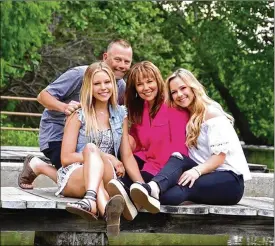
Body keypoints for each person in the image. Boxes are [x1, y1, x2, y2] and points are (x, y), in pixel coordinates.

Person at [128, 68, 252, 213]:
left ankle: (145, 194)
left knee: (175, 192)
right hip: (205, 175)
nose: (179, 94)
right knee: (178, 157)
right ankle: (152, 188)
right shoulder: (188, 115)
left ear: (193, 87)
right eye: (174, 92)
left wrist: (196, 171)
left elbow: (219, 157)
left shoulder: (211, 113)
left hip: (229, 180)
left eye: (183, 88)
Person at [18, 39, 133, 189]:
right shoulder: (79, 74)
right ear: (105, 57)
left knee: (102, 171)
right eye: (117, 59)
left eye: (126, 61)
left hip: (91, 140)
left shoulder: (121, 86)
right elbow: (43, 96)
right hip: (58, 135)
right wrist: (64, 107)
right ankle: (39, 166)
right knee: (81, 177)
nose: (122, 65)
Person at [107, 61, 189, 218]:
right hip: (148, 165)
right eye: (140, 84)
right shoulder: (139, 110)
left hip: (166, 171)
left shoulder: (173, 106)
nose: (146, 88)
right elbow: (137, 147)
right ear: (135, 89)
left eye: (149, 81)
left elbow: (181, 151)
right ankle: (129, 202)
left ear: (157, 81)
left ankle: (131, 203)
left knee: (130, 185)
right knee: (118, 177)